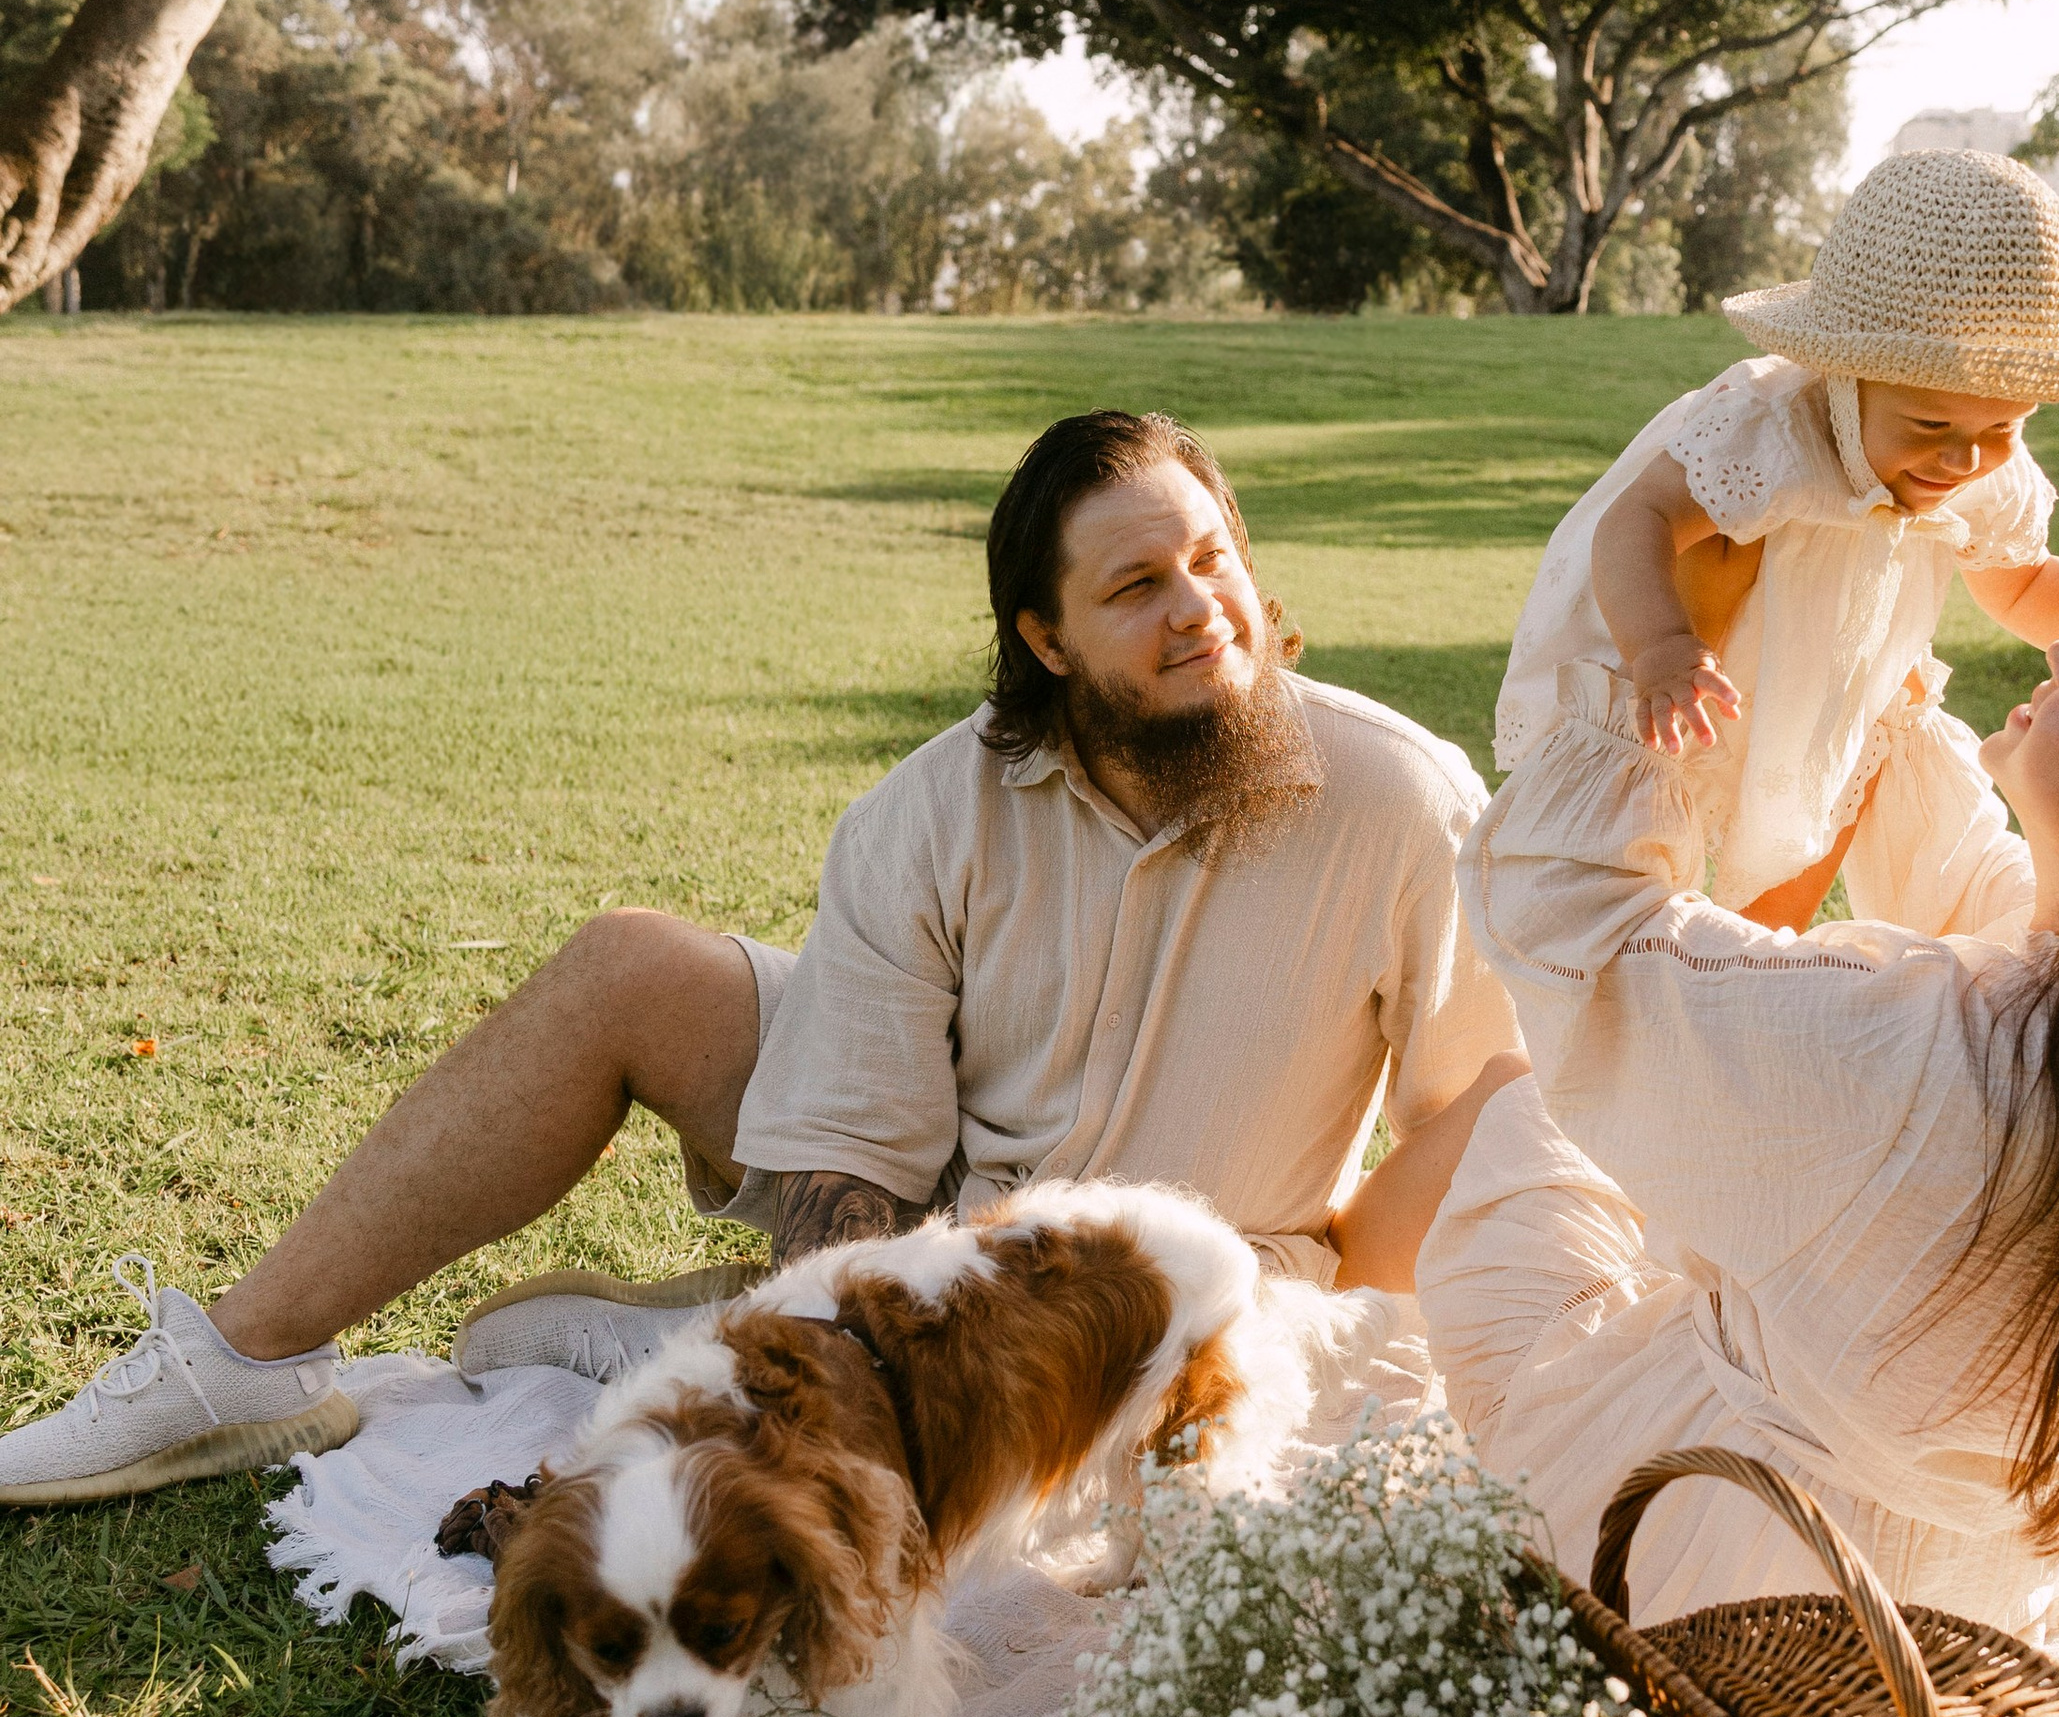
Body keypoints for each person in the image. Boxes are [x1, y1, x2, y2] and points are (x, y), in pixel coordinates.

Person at [0, 411, 1518, 1505]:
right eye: (1136, 588)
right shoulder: (931, 809)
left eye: (1211, 560)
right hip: (934, 1230)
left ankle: (686, 1340)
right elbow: (854, 1162)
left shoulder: (1401, 797)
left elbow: (1483, 1108)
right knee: (630, 966)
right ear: (1047, 641)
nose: (1200, 613)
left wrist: (1321, 1308)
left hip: (1161, 1300)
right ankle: (243, 1364)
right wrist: (833, 1371)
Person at [1349, 585, 2059, 1635]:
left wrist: (1644, 673)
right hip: (1950, 1605)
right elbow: (1975, 884)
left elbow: (1569, 919)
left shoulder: (1922, 1052)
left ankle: (1318, 1284)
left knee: (1527, 1099)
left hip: (1687, 1552)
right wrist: (1878, 671)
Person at [1493, 149, 2059, 936]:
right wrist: (1660, 647)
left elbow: (2024, 581)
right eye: (1930, 425)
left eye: (2005, 427)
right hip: (1686, 674)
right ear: (1847, 375)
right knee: (1638, 861)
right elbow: (1638, 520)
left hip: (1828, 692)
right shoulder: (1768, 425)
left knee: (1797, 855)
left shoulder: (1980, 462)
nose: (1964, 459)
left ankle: (1764, 974)